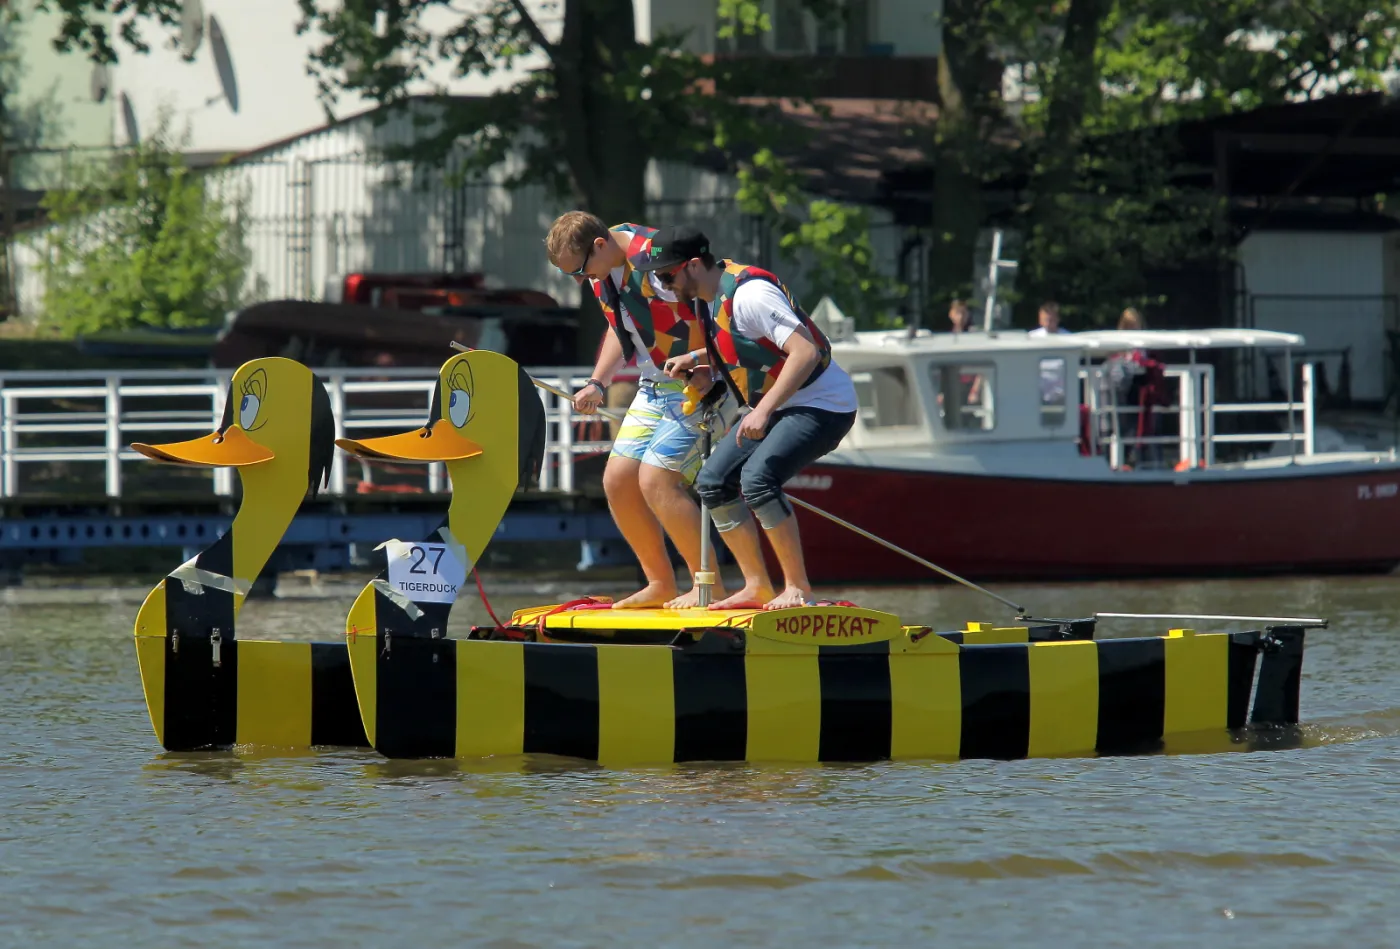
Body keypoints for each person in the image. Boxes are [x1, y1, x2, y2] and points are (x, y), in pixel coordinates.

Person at [638, 225, 858, 611]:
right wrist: (699, 362)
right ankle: (757, 586)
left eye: (666, 274)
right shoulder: (708, 297)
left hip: (824, 404)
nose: (662, 284)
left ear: (692, 266)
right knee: (712, 482)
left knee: (757, 479)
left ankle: (797, 589)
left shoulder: (751, 295)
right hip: (779, 403)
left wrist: (764, 409)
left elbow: (804, 353)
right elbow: (743, 346)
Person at [544, 212, 728, 608]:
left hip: (695, 384)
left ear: (600, 245)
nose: (579, 280)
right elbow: (619, 324)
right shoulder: (602, 271)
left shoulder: (654, 262)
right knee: (618, 481)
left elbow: (707, 312)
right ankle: (660, 582)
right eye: (569, 275)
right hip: (652, 385)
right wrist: (598, 381)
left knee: (656, 481)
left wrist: (706, 369)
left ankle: (707, 586)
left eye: (578, 270)